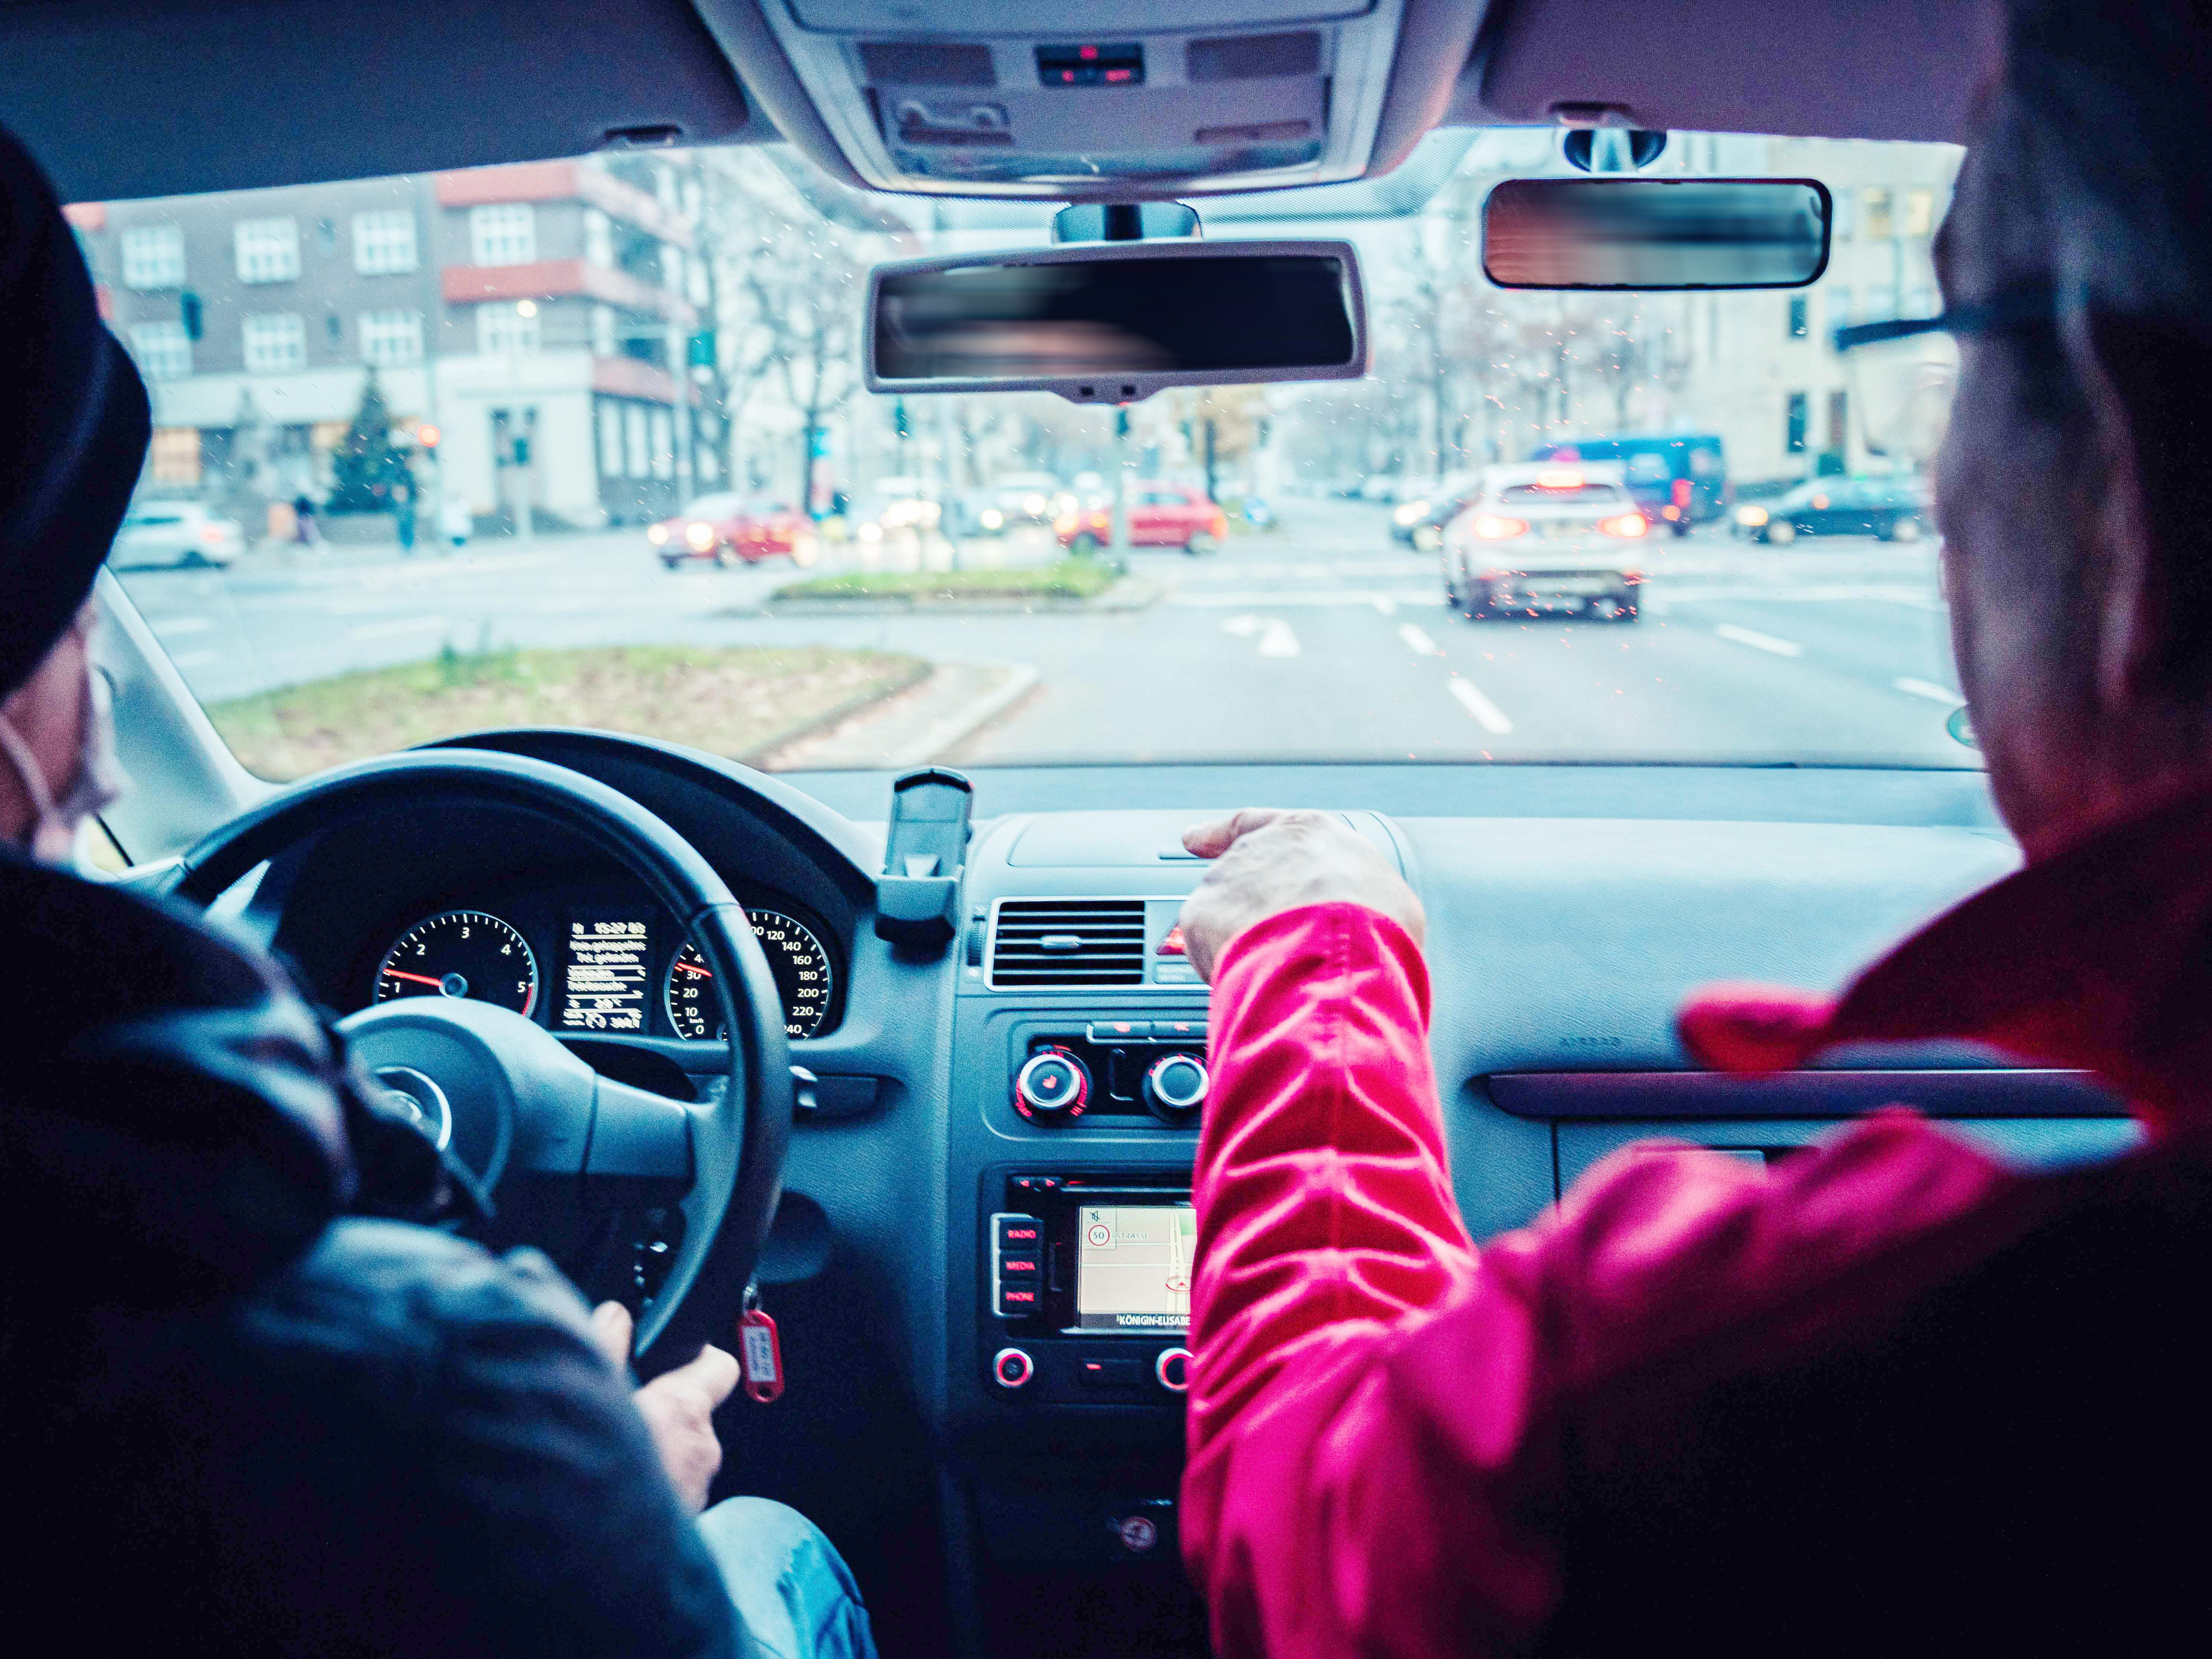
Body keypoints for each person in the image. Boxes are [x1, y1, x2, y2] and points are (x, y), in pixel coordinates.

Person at [1171, 4, 2212, 1656]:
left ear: (2131, 488)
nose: (1942, 495)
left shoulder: (1756, 1383)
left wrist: (1317, 962)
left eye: (1964, 353)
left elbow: (1304, 1518)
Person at [0, 123, 874, 1659]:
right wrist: (619, 1503)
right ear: (18, 717)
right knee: (775, 1544)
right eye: (84, 623)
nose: (121, 747)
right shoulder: (430, 1389)